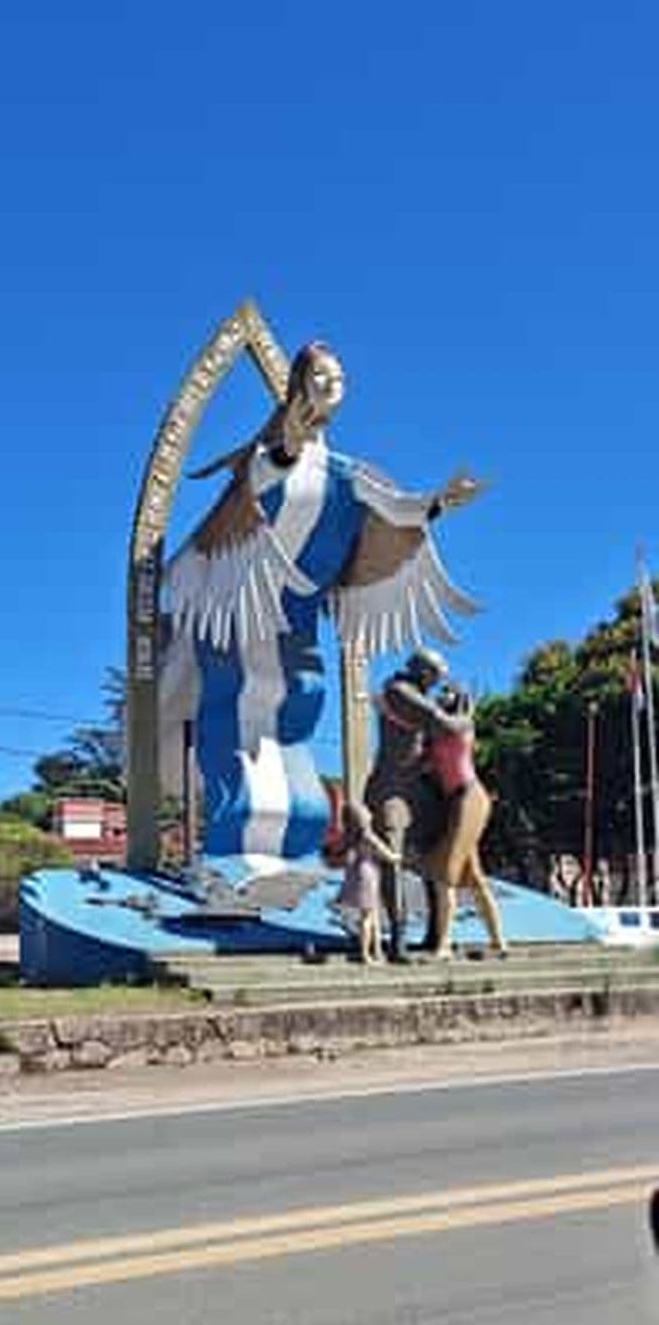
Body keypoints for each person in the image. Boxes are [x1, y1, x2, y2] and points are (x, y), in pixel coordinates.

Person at [164, 342, 480, 861]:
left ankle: (292, 856)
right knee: (240, 725)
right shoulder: (271, 457)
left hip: (297, 624)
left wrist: (440, 502)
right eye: (322, 376)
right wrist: (291, 439)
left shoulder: (345, 473)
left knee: (302, 730)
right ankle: (231, 856)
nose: (334, 385)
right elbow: (267, 474)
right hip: (242, 614)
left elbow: (398, 509)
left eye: (340, 377)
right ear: (299, 384)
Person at [364, 648, 469, 960]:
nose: (439, 683)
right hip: (390, 788)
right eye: (436, 676)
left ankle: (436, 934)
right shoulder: (398, 691)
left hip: (417, 789)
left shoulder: (417, 694)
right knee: (392, 860)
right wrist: (465, 714)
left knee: (432, 857)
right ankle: (398, 938)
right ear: (425, 672)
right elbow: (444, 725)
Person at [422, 683, 507, 959]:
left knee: (444, 872)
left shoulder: (460, 723)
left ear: (459, 699)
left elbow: (434, 718)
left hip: (470, 798)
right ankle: (499, 942)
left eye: (448, 692)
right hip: (455, 802)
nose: (442, 695)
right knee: (474, 877)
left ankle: (444, 945)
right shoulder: (436, 732)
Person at [336, 801, 398, 964]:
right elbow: (387, 854)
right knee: (368, 916)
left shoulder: (349, 836)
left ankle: (377, 950)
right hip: (368, 876)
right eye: (366, 811)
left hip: (356, 874)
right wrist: (398, 856)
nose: (370, 813)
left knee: (373, 913)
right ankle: (365, 954)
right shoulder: (368, 835)